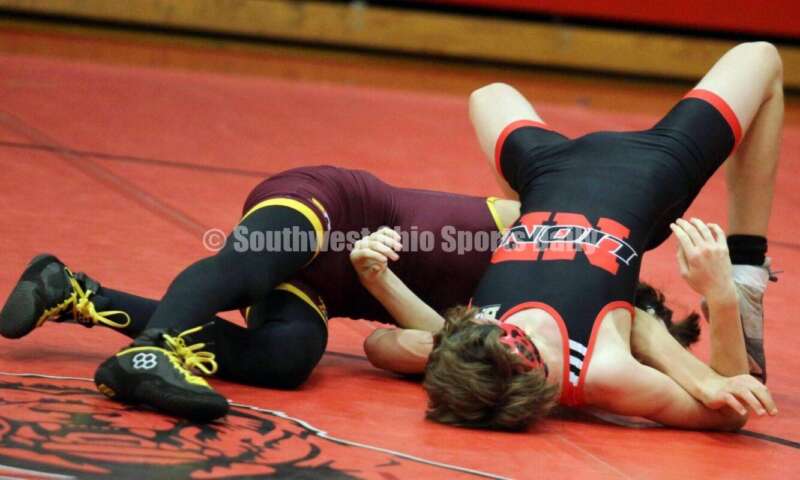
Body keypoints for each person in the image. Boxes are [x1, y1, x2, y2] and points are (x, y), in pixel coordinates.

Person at [0, 167, 696, 421]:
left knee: (286, 359)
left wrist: (378, 281)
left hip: (323, 288)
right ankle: (153, 350)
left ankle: (74, 293)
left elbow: (384, 343)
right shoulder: (542, 231)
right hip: (330, 204)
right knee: (253, 260)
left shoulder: (496, 341)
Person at [421, 42, 782, 431]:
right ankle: (748, 270)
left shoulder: (470, 342)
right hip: (649, 169)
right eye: (530, 343)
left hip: (545, 170)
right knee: (762, 58)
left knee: (488, 95)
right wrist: (722, 294)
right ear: (539, 379)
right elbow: (730, 413)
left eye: (512, 332)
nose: (533, 326)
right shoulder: (603, 372)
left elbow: (386, 346)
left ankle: (528, 200)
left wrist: (382, 282)